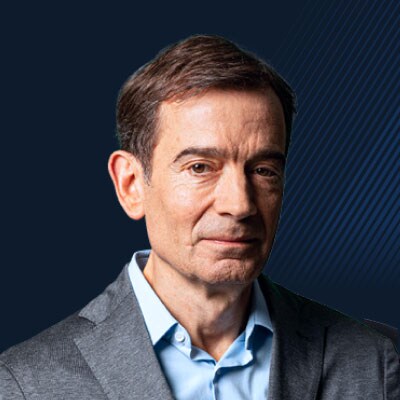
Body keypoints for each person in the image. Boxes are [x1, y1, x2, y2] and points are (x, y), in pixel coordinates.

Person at [0, 34, 399, 400]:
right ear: (131, 184)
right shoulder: (26, 385)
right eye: (200, 167)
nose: (239, 205)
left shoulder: (374, 365)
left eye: (263, 170)